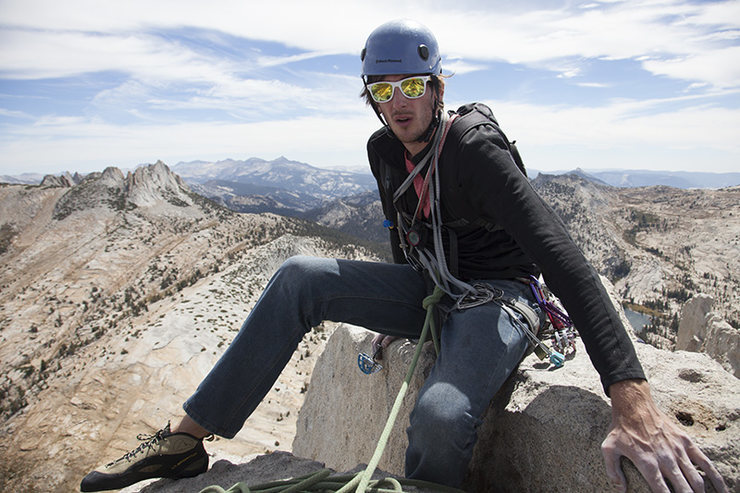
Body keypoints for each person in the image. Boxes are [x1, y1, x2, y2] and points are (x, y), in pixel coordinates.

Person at [81, 19, 728, 493]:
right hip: (428, 285)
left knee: (442, 415)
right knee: (298, 276)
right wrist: (395, 318)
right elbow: (404, 230)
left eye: (412, 85)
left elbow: (564, 261)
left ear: (438, 86)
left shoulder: (475, 148)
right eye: (383, 90)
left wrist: (632, 397)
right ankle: (186, 440)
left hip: (494, 296)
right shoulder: (383, 149)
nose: (399, 103)